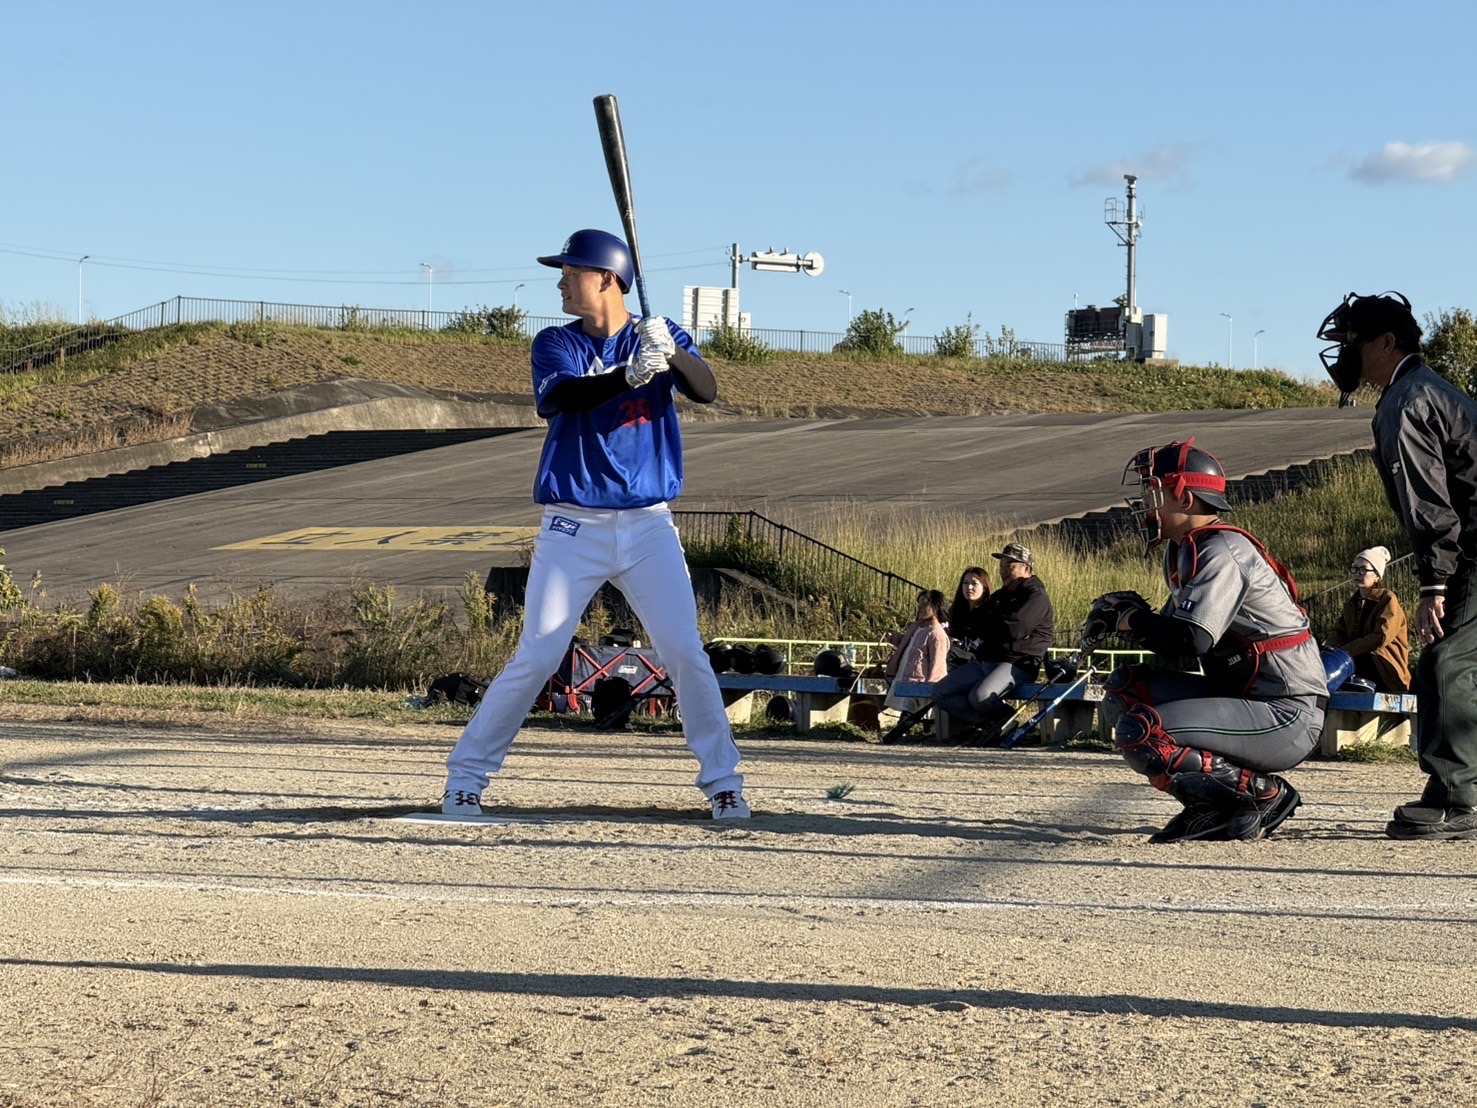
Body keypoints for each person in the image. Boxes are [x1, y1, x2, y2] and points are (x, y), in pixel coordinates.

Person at [441, 229, 747, 820]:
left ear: (608, 279)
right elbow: (561, 398)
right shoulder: (556, 342)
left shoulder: (657, 333)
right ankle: (466, 777)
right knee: (538, 654)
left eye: (571, 272)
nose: (561, 283)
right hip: (572, 526)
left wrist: (673, 354)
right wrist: (628, 375)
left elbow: (706, 390)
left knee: (685, 651)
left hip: (649, 526)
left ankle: (724, 783)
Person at [1095, 439, 1327, 843]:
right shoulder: (1186, 549)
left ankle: (1260, 794)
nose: (1145, 503)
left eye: (1153, 492)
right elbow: (1174, 643)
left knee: (1142, 730)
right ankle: (1210, 806)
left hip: (1285, 711)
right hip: (1246, 699)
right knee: (1126, 690)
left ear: (1185, 497)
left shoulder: (1222, 549)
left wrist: (1133, 620)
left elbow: (1192, 639)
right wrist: (1127, 623)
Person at [1317, 291, 1477, 839]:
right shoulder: (1425, 390)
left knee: (1446, 662)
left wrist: (1434, 584)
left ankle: (1457, 798)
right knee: (1449, 662)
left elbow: (1429, 503)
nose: (1347, 354)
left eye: (1354, 342)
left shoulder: (1408, 402)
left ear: (1387, 342)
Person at [929, 542, 1054, 737]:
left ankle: (1008, 719)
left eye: (1009, 565)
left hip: (1018, 662)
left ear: (1026, 568)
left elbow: (1014, 628)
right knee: (940, 692)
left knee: (980, 697)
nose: (1003, 571)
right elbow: (977, 623)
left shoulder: (1036, 596)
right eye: (1001, 566)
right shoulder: (1001, 596)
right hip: (986, 660)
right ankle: (993, 724)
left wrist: (990, 624)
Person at [1325, 545, 1411, 693]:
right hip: (1355, 666)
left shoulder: (1387, 600)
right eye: (1354, 569)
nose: (1357, 573)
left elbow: (1381, 637)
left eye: (1363, 570)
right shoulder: (1352, 603)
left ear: (1377, 576)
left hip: (1384, 670)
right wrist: (1331, 652)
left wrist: (1346, 652)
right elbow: (1338, 633)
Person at [883, 589, 950, 716]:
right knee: (907, 713)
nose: (920, 608)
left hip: (919, 683)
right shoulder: (917, 627)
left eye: (924, 604)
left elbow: (938, 664)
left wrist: (932, 687)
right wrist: (896, 639)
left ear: (935, 606)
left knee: (908, 714)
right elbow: (910, 645)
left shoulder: (937, 634)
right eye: (919, 605)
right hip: (907, 678)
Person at [946, 566, 992, 661]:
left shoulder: (990, 612)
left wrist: (961, 644)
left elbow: (982, 642)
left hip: (975, 659)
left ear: (984, 588)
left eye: (974, 583)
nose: (969, 587)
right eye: (966, 583)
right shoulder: (956, 609)